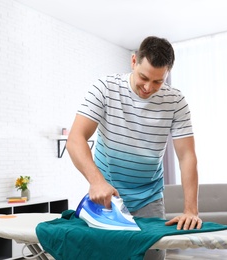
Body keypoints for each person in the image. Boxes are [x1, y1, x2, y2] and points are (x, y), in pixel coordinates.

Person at [67, 36, 201, 260]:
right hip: (106, 197)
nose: (148, 88)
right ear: (133, 62)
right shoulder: (105, 88)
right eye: (144, 77)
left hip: (150, 198)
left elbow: (187, 156)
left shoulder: (176, 102)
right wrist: (97, 181)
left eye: (158, 82)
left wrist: (191, 210)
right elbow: (75, 139)